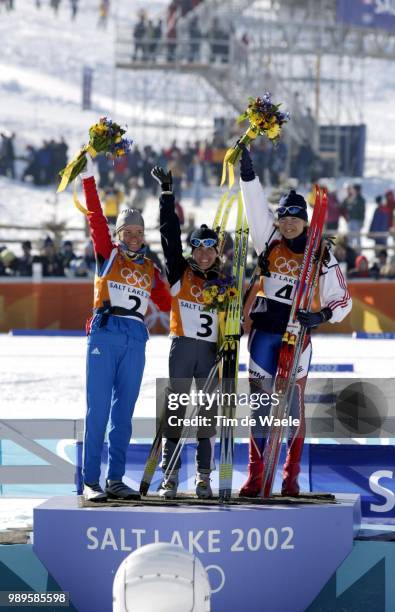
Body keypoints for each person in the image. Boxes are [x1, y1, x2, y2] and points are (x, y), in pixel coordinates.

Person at [238, 145, 352, 497]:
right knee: (259, 406)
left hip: (297, 336)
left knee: (292, 408)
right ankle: (257, 476)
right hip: (264, 334)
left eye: (295, 218)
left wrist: (320, 315)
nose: (288, 223)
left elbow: (342, 299)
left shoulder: (321, 251)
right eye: (284, 217)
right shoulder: (268, 240)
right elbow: (255, 207)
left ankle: (290, 477)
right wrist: (248, 173)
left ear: (305, 220)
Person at [80, 155, 171, 502]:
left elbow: (170, 303)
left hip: (136, 337)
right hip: (105, 331)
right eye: (127, 233)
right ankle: (91, 481)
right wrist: (89, 179)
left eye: (138, 232)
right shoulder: (108, 253)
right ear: (119, 235)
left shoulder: (150, 266)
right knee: (98, 410)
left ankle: (116, 479)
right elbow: (95, 220)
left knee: (124, 415)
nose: (134, 237)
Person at [151, 165, 224, 500]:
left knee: (207, 417)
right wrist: (167, 194)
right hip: (182, 349)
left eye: (210, 250)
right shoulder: (180, 273)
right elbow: (169, 234)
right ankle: (169, 477)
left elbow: (233, 323)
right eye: (199, 249)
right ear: (193, 251)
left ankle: (203, 477)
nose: (205, 255)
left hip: (210, 354)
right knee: (177, 412)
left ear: (217, 253)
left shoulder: (225, 284)